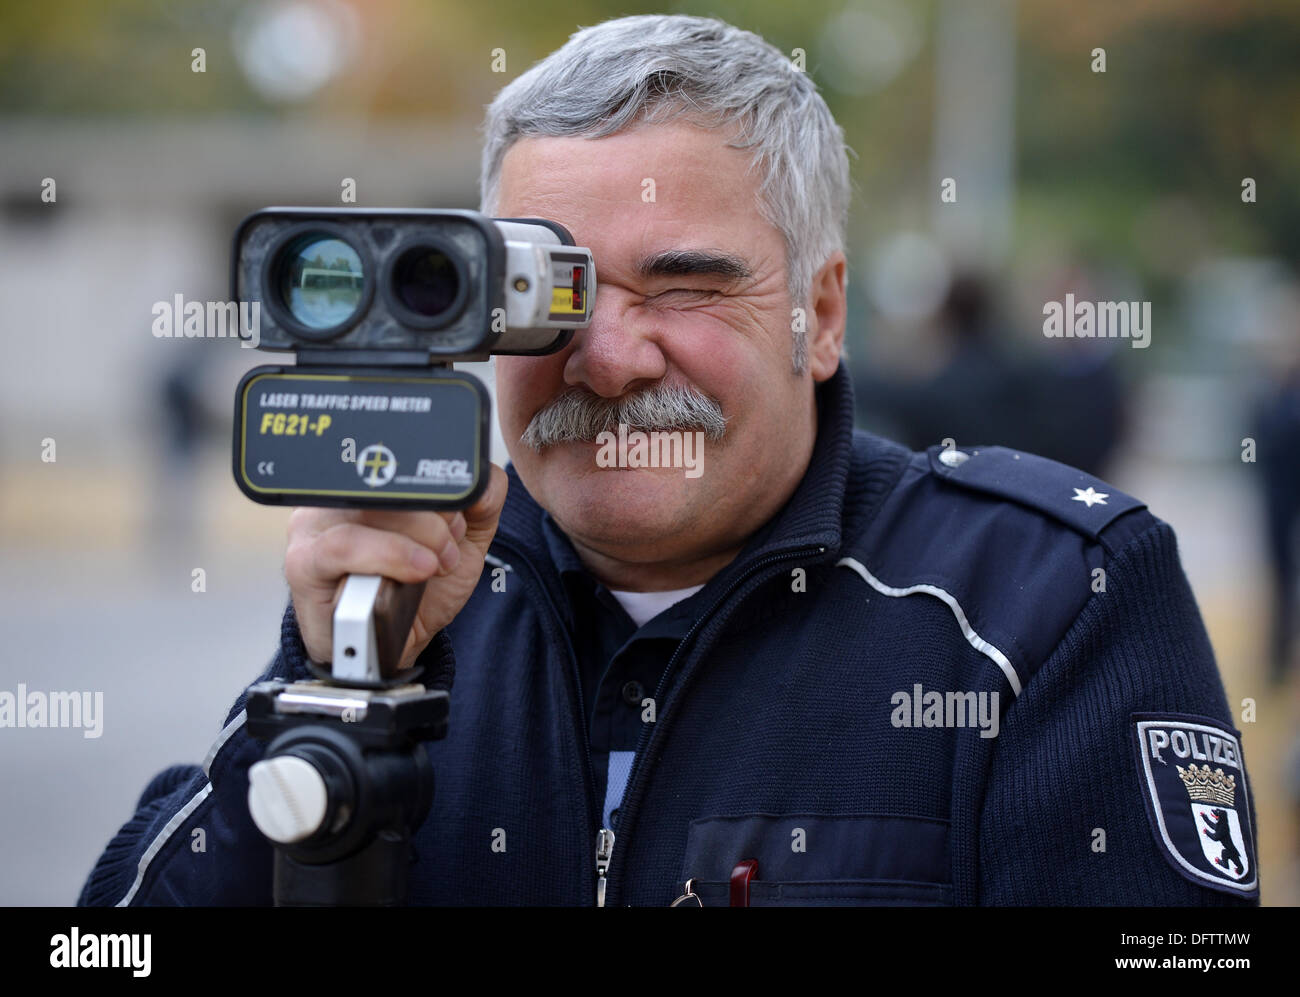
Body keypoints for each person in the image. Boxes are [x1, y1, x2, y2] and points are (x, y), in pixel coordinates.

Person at [79, 14, 1258, 907]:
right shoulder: (417, 598)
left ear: (822, 311)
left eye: (686, 283)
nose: (608, 357)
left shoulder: (1050, 595)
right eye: (549, 295)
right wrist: (336, 690)